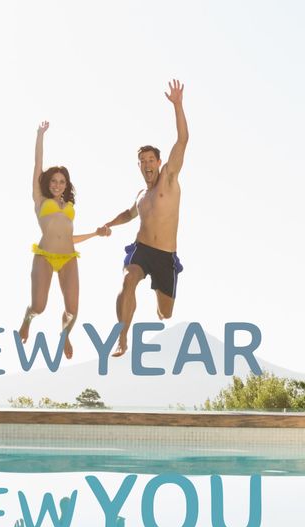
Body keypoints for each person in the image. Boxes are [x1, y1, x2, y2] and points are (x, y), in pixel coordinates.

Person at [99, 80, 189, 357]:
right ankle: (122, 338)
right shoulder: (141, 194)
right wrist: (108, 225)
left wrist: (177, 106)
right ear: (138, 165)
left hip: (164, 255)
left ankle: (159, 299)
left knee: (166, 313)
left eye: (152, 160)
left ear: (159, 163)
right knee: (127, 280)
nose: (148, 164)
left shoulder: (169, 180)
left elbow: (182, 140)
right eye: (143, 161)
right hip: (142, 250)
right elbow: (129, 213)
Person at [20, 121, 109, 360]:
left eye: (62, 181)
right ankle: (28, 318)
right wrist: (39, 135)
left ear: (66, 185)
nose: (57, 185)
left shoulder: (69, 206)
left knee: (72, 310)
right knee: (39, 306)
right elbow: (37, 165)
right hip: (45, 257)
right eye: (54, 181)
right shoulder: (40, 200)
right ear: (47, 183)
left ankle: (65, 334)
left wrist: (96, 233)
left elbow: (70, 237)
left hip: (68, 257)